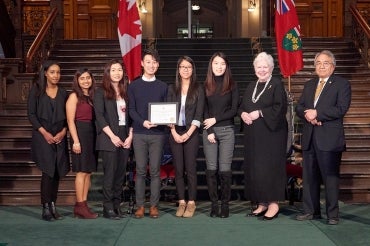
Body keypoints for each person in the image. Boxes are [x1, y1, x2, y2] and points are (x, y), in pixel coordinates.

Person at [295, 50, 351, 225]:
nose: (321, 66)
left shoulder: (342, 84)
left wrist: (318, 114)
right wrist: (308, 116)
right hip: (310, 137)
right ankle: (311, 211)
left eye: (325, 63)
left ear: (333, 66)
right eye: (318, 62)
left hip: (329, 139)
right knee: (310, 176)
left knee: (330, 178)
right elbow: (299, 107)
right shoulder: (309, 84)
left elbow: (341, 109)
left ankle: (332, 214)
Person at [238, 52, 288, 220]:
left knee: (269, 168)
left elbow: (280, 108)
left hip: (272, 136)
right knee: (256, 168)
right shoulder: (251, 85)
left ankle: (273, 204)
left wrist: (259, 113)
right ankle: (262, 203)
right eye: (258, 67)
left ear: (271, 68)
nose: (261, 70)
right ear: (254, 69)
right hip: (254, 136)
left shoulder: (276, 84)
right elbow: (242, 105)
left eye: (265, 67)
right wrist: (243, 114)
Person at [27, 60, 69, 221]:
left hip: (59, 137)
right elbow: (31, 114)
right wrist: (44, 133)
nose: (56, 75)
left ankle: (53, 205)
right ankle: (45, 207)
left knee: (57, 172)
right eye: (52, 72)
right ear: (45, 73)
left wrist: (63, 132)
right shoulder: (36, 91)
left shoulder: (63, 92)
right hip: (42, 136)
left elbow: (68, 117)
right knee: (48, 171)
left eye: (58, 72)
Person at [128, 49, 168, 219]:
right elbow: (131, 110)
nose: (152, 65)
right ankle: (139, 206)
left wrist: (164, 120)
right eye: (148, 62)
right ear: (142, 64)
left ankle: (153, 206)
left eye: (155, 62)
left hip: (158, 134)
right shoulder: (133, 86)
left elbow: (167, 109)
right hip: (139, 133)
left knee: (156, 171)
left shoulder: (163, 86)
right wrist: (142, 122)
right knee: (141, 170)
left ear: (158, 65)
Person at [94, 59, 133, 220]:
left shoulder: (127, 91)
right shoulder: (100, 92)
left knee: (120, 173)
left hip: (125, 134)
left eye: (119, 70)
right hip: (108, 136)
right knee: (109, 174)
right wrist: (112, 136)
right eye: (113, 70)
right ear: (107, 72)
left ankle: (117, 205)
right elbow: (99, 116)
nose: (117, 73)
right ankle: (107, 207)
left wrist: (130, 135)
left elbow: (131, 115)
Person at [167, 56, 204, 218]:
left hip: (192, 132)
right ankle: (181, 201)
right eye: (182, 67)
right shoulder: (171, 89)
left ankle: (191, 202)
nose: (185, 69)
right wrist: (174, 132)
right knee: (179, 169)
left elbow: (199, 113)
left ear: (192, 69)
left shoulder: (198, 89)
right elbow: (168, 113)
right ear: (178, 69)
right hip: (175, 132)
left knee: (190, 169)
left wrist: (188, 133)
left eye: (188, 67)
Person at [203, 52, 239, 218]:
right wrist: (209, 130)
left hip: (227, 131)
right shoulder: (206, 85)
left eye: (222, 64)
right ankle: (214, 205)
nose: (219, 66)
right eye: (216, 63)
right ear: (211, 65)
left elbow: (233, 111)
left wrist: (215, 119)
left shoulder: (232, 85)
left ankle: (225, 206)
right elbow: (203, 110)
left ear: (226, 66)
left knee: (225, 170)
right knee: (211, 169)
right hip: (209, 133)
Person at [66, 68, 98, 219]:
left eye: (88, 78)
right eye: (82, 78)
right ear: (77, 81)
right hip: (80, 134)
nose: (86, 81)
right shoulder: (74, 96)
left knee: (88, 172)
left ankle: (84, 204)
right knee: (81, 171)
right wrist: (76, 141)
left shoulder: (91, 96)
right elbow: (70, 121)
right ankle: (79, 205)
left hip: (91, 134)